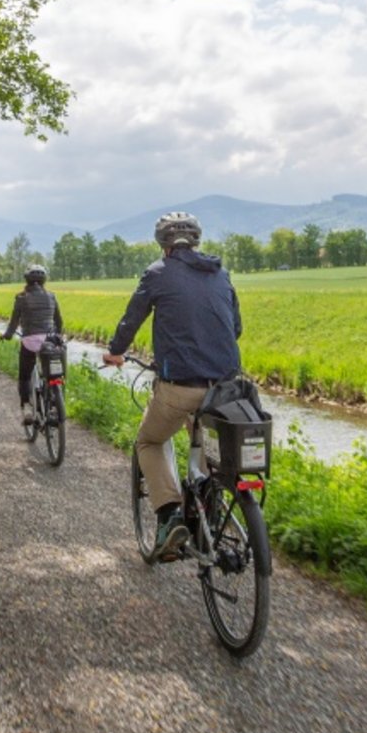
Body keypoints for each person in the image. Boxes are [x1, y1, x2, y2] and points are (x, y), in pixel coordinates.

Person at [101, 211, 242, 561]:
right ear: (196, 241)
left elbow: (132, 319)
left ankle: (168, 517)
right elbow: (235, 327)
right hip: (227, 387)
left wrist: (116, 352)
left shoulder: (157, 273)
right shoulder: (221, 273)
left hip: (180, 385)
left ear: (163, 244)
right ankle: (213, 503)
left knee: (150, 440)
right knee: (207, 443)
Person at [0, 264, 62, 421]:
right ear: (44, 280)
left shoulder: (21, 298)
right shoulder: (51, 296)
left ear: (26, 280)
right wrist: (58, 335)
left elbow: (14, 323)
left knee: (25, 375)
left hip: (30, 342)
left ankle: (27, 406)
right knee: (54, 373)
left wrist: (6, 336)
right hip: (50, 341)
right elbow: (59, 321)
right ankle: (55, 403)